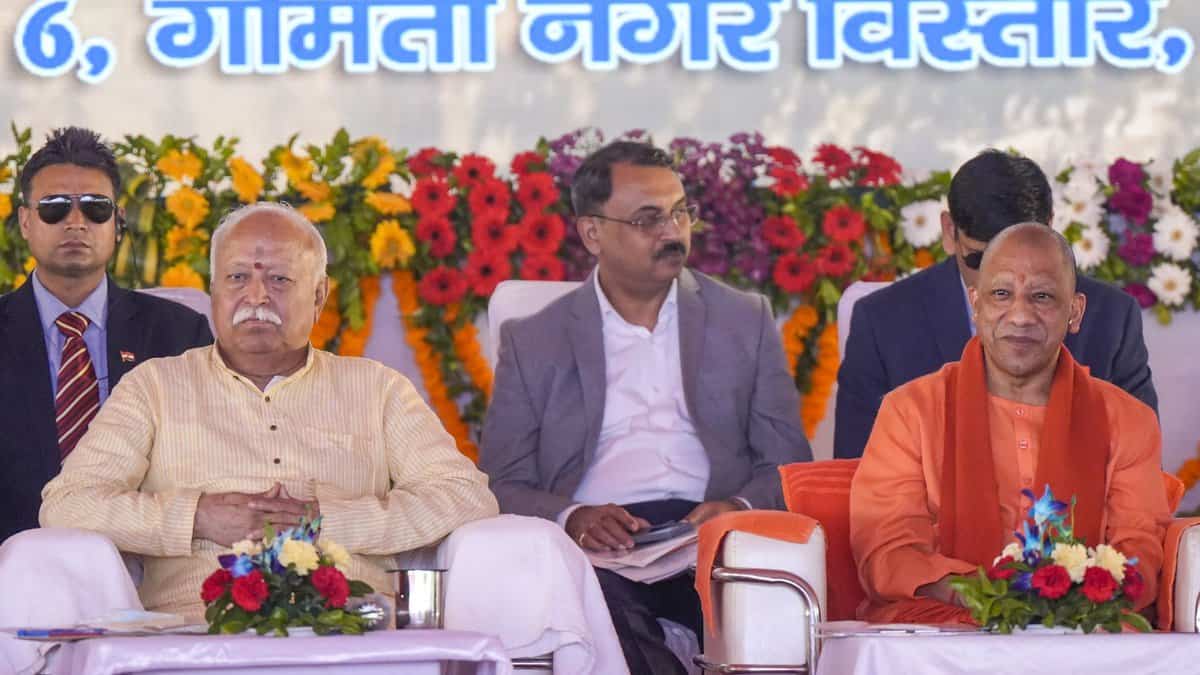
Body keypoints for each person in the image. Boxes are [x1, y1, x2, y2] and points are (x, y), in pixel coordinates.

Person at [40, 202, 499, 619]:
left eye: (279, 279)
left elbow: (465, 496)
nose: (256, 296)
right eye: (237, 277)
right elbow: (67, 503)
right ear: (213, 291)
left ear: (319, 295)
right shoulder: (153, 387)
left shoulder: (378, 389)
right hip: (195, 634)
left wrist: (325, 520)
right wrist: (196, 517)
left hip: (349, 632)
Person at [481, 141, 812, 674]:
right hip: (601, 544)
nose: (672, 231)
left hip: (711, 535)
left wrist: (738, 506)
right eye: (647, 219)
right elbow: (501, 482)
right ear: (592, 233)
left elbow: (790, 464)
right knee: (595, 607)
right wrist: (573, 517)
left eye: (680, 212)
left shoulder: (743, 319)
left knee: (743, 602)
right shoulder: (535, 340)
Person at [850, 223, 1170, 623]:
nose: (1020, 316)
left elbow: (1138, 550)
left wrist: (1067, 601)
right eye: (1001, 294)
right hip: (945, 630)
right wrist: (990, 597)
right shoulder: (910, 411)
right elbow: (887, 550)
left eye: (1042, 296)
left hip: (1082, 630)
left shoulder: (1128, 420)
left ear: (1074, 312)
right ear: (976, 304)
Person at [835, 149, 1156, 460]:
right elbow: (854, 472)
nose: (1014, 309)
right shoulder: (882, 322)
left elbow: (1141, 461)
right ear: (949, 231)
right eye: (980, 259)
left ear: (1049, 229)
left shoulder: (1111, 317)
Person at [0, 127, 211, 542]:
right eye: (55, 208)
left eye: (96, 208)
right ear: (25, 221)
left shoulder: (181, 334)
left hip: (146, 558)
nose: (76, 222)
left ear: (117, 222)